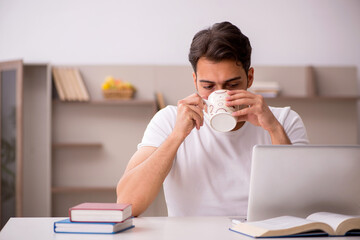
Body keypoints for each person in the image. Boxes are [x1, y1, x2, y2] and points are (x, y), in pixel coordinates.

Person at [116, 21, 309, 217]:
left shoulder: (284, 120)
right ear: (195, 81)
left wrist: (274, 129)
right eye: (208, 86)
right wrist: (176, 136)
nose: (222, 95)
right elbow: (128, 204)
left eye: (232, 84)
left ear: (249, 78)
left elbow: (299, 202)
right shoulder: (168, 120)